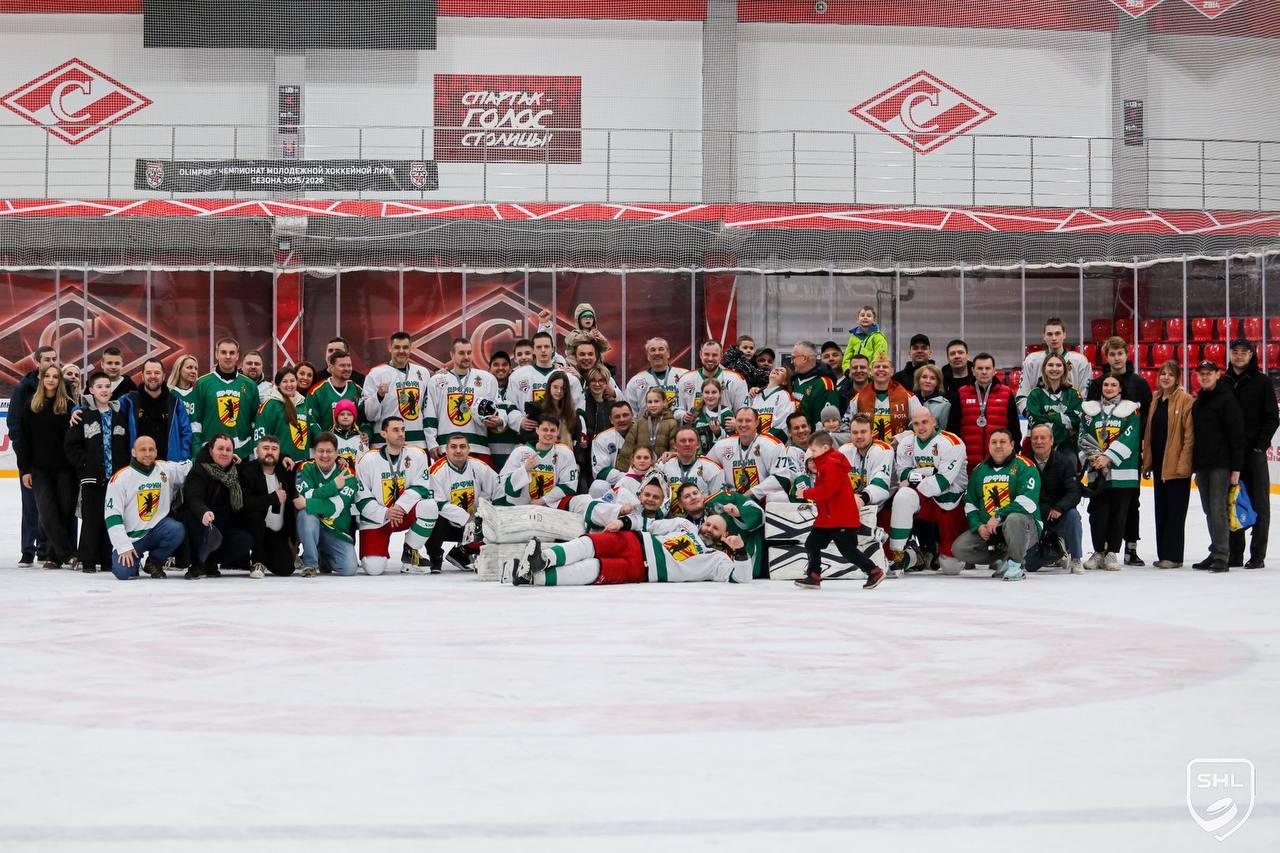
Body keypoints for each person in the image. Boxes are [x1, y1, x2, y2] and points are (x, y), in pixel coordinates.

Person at [508, 514, 753, 586]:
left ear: (724, 536)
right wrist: (623, 522)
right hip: (634, 541)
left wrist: (740, 552)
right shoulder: (685, 525)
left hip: (641, 570)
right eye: (708, 523)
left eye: (716, 528)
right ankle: (545, 559)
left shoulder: (717, 559)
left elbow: (741, 578)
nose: (708, 528)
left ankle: (530, 577)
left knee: (592, 570)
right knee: (587, 544)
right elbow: (650, 524)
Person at [1086, 335, 1152, 566]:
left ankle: (1130, 548)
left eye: (1120, 353)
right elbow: (1090, 418)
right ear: (1107, 356)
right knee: (1102, 502)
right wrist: (1096, 453)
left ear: (1127, 354)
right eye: (1112, 354)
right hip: (1100, 455)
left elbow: (1147, 417)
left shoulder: (1139, 383)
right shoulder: (1098, 384)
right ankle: (1103, 548)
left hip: (1129, 453)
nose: (1116, 358)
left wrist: (1142, 444)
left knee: (1131, 502)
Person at [793, 432, 885, 590]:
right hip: (828, 518)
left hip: (841, 518)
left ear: (825, 448)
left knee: (848, 551)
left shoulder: (832, 464)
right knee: (812, 544)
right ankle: (814, 576)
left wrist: (805, 493)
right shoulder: (825, 463)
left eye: (814, 450)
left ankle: (873, 571)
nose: (812, 454)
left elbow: (827, 490)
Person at [952, 429, 1041, 582]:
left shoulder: (1025, 466)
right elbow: (970, 503)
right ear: (989, 446)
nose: (998, 445)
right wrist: (978, 526)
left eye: (1003, 442)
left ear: (1012, 445)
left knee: (1014, 519)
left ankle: (1016, 565)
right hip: (992, 529)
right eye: (994, 442)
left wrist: (999, 516)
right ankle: (1003, 559)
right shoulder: (980, 470)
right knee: (960, 548)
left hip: (1023, 527)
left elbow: (1028, 502)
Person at [887, 408, 969, 574]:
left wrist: (914, 477)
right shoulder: (906, 443)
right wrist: (931, 471)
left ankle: (940, 550)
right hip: (924, 499)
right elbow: (902, 474)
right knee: (903, 496)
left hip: (950, 502)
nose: (921, 427)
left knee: (951, 568)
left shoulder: (953, 443)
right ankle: (900, 554)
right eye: (916, 423)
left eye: (925, 422)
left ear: (934, 422)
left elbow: (941, 483)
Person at [64, 371, 130, 574]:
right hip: (92, 478)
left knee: (111, 517)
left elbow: (125, 445)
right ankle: (88, 559)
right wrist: (84, 464)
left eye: (107, 386)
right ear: (91, 390)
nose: (104, 390)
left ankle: (107, 559)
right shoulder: (83, 415)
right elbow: (71, 445)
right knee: (91, 519)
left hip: (115, 479)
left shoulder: (119, 416)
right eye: (99, 386)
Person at [353, 416, 435, 574]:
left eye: (403, 429)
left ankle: (410, 552)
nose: (401, 434)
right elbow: (361, 498)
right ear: (384, 434)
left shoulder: (417, 454)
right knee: (374, 568)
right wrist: (386, 512)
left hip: (403, 513)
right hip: (377, 519)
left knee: (429, 506)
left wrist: (400, 507)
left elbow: (422, 487)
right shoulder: (368, 460)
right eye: (395, 430)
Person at [1223, 338, 1278, 569]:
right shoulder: (1223, 382)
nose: (1238, 356)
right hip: (1229, 454)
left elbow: (1272, 418)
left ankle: (1257, 555)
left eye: (1243, 352)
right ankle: (1235, 553)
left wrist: (1259, 446)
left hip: (1253, 454)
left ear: (1251, 355)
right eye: (1235, 351)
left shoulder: (1262, 382)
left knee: (1259, 504)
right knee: (1232, 500)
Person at [16, 363, 76, 569]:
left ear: (60, 381)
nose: (51, 380)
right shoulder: (31, 406)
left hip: (65, 468)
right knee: (46, 512)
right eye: (47, 376)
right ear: (41, 379)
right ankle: (68, 554)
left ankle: (53, 556)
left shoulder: (68, 406)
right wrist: (24, 469)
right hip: (39, 469)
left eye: (55, 377)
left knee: (64, 511)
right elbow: (24, 441)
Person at [104, 435, 189, 580]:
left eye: (151, 450)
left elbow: (190, 467)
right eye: (143, 450)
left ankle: (154, 562)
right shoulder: (120, 478)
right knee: (123, 573)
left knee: (176, 529)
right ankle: (134, 561)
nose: (148, 453)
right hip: (131, 539)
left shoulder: (165, 469)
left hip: (158, 530)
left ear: (156, 452)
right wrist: (123, 547)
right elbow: (112, 517)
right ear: (134, 452)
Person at [1079, 375, 1141, 571]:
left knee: (1119, 513)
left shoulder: (1130, 409)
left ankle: (1112, 552)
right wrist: (1093, 456)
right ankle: (1098, 552)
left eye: (1114, 385)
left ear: (1120, 388)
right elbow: (1082, 434)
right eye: (1106, 384)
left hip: (1123, 472)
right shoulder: (1089, 410)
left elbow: (1131, 436)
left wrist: (1108, 456)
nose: (1109, 387)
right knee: (1097, 513)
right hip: (1097, 470)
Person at [1190, 360, 1244, 573]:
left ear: (1217, 374)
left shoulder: (1227, 400)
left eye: (1209, 373)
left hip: (1221, 465)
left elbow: (1236, 435)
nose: (1205, 377)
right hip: (1203, 465)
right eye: (1201, 373)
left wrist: (1236, 468)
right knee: (1208, 510)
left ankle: (1222, 555)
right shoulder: (1199, 401)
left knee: (1218, 508)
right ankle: (1215, 551)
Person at [1141, 361, 1195, 569]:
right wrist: (1147, 462)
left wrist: (1184, 464)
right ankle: (1163, 554)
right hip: (1159, 464)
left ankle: (1174, 557)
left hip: (1177, 465)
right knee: (1161, 509)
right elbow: (1150, 434)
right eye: (1163, 373)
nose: (1165, 377)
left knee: (1175, 512)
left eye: (1170, 374)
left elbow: (1189, 437)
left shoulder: (1185, 400)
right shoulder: (1156, 399)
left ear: (1177, 378)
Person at [8, 345, 58, 567]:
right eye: (47, 359)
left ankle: (45, 550)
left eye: (54, 359)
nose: (51, 362)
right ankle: (27, 550)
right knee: (31, 506)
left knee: (49, 506)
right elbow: (15, 424)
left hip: (53, 459)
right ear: (37, 362)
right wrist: (23, 459)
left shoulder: (60, 386)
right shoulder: (24, 389)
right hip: (30, 458)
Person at [182, 434, 255, 579]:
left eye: (228, 450)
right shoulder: (199, 469)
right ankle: (198, 562)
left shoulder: (235, 471)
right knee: (196, 521)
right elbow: (193, 498)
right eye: (220, 448)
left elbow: (261, 465)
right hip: (201, 523)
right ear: (211, 450)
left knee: (244, 540)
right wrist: (203, 512)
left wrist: (283, 457)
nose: (224, 453)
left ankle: (212, 561)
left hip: (223, 525)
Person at [428, 434, 500, 573]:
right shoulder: (436, 471)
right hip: (446, 524)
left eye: (462, 446)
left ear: (468, 449)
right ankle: (435, 556)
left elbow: (498, 488)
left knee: (492, 517)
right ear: (446, 450)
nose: (458, 450)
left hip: (472, 522)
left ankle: (462, 552)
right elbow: (438, 504)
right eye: (453, 447)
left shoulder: (479, 466)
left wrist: (485, 513)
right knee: (430, 513)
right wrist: (466, 518)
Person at [424, 337, 503, 462]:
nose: (466, 357)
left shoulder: (487, 379)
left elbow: (499, 408)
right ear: (452, 355)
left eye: (469, 352)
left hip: (478, 446)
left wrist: (500, 420)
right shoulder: (437, 380)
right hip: (447, 447)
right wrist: (431, 442)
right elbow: (430, 413)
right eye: (461, 353)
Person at [294, 433, 360, 577]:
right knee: (306, 514)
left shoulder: (347, 474)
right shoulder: (305, 468)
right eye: (320, 451)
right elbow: (304, 496)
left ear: (336, 453)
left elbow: (336, 507)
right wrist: (333, 486)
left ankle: (323, 557)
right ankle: (310, 564)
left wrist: (309, 502)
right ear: (314, 452)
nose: (324, 455)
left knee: (349, 568)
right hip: (313, 525)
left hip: (336, 531)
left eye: (329, 451)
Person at [1024, 423, 1084, 574]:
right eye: (1035, 438)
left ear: (1051, 440)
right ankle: (1057, 552)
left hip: (1058, 515)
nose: (1038, 441)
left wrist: (1059, 507)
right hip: (1035, 518)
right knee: (1030, 566)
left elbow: (1074, 492)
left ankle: (1076, 558)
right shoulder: (1024, 463)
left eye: (1043, 438)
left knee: (1073, 515)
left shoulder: (1064, 461)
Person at [673, 482, 766, 578]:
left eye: (695, 493)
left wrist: (738, 513)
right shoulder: (682, 527)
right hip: (719, 577)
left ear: (702, 495)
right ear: (680, 504)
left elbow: (759, 515)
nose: (693, 497)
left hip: (755, 565)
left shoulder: (723, 499)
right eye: (687, 496)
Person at [238, 434, 298, 578]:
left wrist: (340, 459)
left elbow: (310, 463)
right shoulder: (247, 471)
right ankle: (257, 560)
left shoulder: (285, 470)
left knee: (286, 569)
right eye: (265, 448)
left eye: (274, 449)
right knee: (255, 514)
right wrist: (272, 498)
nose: (270, 452)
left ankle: (266, 557)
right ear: (257, 452)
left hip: (276, 533)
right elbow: (243, 503)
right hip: (254, 528)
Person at [948, 352, 1020, 472]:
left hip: (999, 462)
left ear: (994, 370)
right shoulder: (962, 393)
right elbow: (953, 428)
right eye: (980, 368)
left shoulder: (1006, 393)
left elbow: (1014, 428)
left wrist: (1014, 452)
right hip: (967, 462)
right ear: (973, 370)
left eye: (987, 368)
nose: (984, 372)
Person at [190, 337, 260, 458]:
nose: (228, 356)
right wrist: (197, 453)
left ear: (237, 356)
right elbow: (195, 422)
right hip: (210, 453)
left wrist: (251, 451)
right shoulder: (201, 383)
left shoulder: (250, 385)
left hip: (242, 454)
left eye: (232, 353)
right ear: (216, 354)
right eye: (223, 352)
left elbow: (256, 423)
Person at [363, 331, 431, 448]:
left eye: (405, 347)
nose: (401, 351)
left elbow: (428, 408)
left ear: (410, 348)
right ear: (390, 348)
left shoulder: (423, 373)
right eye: (397, 347)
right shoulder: (376, 373)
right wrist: (379, 395)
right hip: (384, 442)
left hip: (416, 441)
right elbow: (369, 415)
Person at [509, 331, 585, 434]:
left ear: (553, 349)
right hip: (530, 435)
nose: (543, 350)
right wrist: (519, 421)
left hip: (560, 435)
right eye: (539, 347)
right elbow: (510, 405)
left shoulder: (569, 379)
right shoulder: (517, 376)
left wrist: (578, 432)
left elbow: (579, 408)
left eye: (546, 346)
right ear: (533, 350)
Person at [119, 357, 193, 461]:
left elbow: (186, 433)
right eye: (148, 373)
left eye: (157, 373)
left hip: (168, 465)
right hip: (137, 465)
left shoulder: (175, 403)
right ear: (142, 376)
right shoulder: (128, 401)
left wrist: (182, 459)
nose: (153, 376)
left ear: (163, 376)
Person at [498, 416, 580, 506]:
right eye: (545, 430)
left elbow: (569, 486)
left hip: (550, 507)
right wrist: (524, 470)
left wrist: (543, 500)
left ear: (557, 432)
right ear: (537, 430)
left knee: (582, 501)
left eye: (552, 430)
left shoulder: (565, 453)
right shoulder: (519, 452)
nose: (548, 433)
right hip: (520, 508)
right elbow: (506, 487)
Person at [1016, 318, 1093, 414]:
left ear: (1064, 335)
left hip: (1071, 420)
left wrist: (1072, 418)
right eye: (1049, 334)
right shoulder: (1031, 361)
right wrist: (1034, 416)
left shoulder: (1080, 361)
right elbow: (1022, 396)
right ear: (1044, 336)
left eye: (1057, 333)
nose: (1054, 338)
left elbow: (1085, 397)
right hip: (1040, 420)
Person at [707, 408, 787, 498]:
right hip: (732, 499)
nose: (743, 424)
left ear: (757, 423)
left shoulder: (772, 444)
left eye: (748, 421)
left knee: (779, 497)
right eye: (740, 421)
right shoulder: (723, 445)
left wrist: (752, 493)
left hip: (761, 499)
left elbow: (782, 478)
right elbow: (705, 467)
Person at [251, 367, 312, 467]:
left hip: (302, 465)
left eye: (292, 381)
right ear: (278, 384)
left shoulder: (303, 403)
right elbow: (260, 438)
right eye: (285, 381)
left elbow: (312, 430)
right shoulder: (270, 405)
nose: (289, 384)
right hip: (280, 465)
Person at [656, 427, 725, 516]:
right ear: (675, 445)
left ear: (698, 444)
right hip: (670, 521)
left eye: (691, 440)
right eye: (683, 441)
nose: (687, 444)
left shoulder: (712, 469)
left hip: (702, 521)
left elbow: (717, 502)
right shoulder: (663, 466)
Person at [839, 413, 896, 518]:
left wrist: (862, 499)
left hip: (881, 504)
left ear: (871, 433)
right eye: (855, 432)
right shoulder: (844, 451)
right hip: (852, 502)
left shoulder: (884, 450)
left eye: (863, 432)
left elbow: (881, 484)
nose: (859, 436)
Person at [857, 355, 924, 443]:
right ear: (871, 371)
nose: (881, 369)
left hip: (899, 449)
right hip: (867, 449)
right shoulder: (859, 398)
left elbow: (921, 423)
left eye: (885, 367)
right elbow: (847, 427)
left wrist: (901, 438)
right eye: (877, 367)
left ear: (892, 371)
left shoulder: (909, 397)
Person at [1024, 353, 1083, 454]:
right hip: (1040, 446)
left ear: (1064, 369)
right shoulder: (1035, 394)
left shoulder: (1074, 394)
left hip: (1067, 447)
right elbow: (1036, 423)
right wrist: (1063, 425)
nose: (1054, 369)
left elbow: (1075, 421)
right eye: (1050, 365)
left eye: (1059, 365)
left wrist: (1050, 416)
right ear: (1044, 368)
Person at [676, 340, 748, 420]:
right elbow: (676, 410)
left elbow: (744, 411)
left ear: (721, 356)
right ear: (700, 354)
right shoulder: (685, 379)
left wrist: (736, 423)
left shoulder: (736, 380)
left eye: (714, 355)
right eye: (706, 354)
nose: (710, 358)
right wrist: (684, 416)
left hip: (725, 427)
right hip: (693, 427)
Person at [617, 387, 678, 470]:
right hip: (641, 468)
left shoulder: (672, 423)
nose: (653, 405)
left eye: (656, 401)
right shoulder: (639, 423)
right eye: (650, 402)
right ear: (646, 404)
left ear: (664, 402)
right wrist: (622, 471)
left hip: (663, 469)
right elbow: (627, 449)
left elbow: (674, 449)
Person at [624, 336, 686, 413]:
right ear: (648, 356)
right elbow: (631, 412)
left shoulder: (684, 376)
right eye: (653, 350)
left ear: (668, 353)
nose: (657, 353)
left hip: (677, 421)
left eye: (661, 349)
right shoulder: (636, 381)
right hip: (648, 421)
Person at [308, 348, 362, 433]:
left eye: (349, 365)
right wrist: (322, 438)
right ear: (331, 367)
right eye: (342, 365)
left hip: (353, 440)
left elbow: (366, 419)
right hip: (326, 441)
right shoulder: (316, 392)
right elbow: (311, 422)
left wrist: (366, 433)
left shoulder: (357, 389)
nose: (347, 368)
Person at [789, 340, 840, 431]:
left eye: (793, 358)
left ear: (804, 358)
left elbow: (829, 425)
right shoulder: (794, 380)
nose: (791, 362)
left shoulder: (825, 384)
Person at [535, 371, 587, 453]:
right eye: (555, 387)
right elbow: (529, 435)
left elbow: (577, 438)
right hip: (544, 455)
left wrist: (582, 442)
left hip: (567, 455)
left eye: (563, 388)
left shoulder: (571, 411)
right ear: (549, 387)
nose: (559, 391)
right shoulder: (538, 408)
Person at [487, 350, 520, 471]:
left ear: (510, 369)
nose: (500, 368)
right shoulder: (483, 389)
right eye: (496, 364)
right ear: (489, 369)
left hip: (514, 451)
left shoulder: (517, 389)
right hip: (488, 451)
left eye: (504, 364)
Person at [590, 401, 634, 487]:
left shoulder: (644, 432)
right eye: (617, 417)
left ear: (632, 415)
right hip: (615, 484)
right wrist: (630, 477)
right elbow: (601, 471)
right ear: (611, 419)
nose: (622, 419)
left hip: (643, 481)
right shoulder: (602, 439)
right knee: (597, 486)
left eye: (625, 415)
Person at [749, 365, 796, 441]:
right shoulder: (756, 395)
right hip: (753, 441)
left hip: (772, 443)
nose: (776, 369)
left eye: (781, 371)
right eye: (776, 368)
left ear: (785, 382)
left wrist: (764, 442)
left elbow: (783, 426)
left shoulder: (785, 396)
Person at [841, 304, 889, 373]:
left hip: (870, 376)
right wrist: (847, 370)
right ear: (858, 319)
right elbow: (847, 356)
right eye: (862, 315)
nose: (865, 317)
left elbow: (879, 360)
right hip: (854, 374)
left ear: (874, 320)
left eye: (869, 316)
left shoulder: (879, 338)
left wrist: (869, 374)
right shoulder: (854, 336)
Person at [692, 378, 734, 452]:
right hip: (698, 455)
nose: (710, 396)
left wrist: (718, 432)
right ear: (702, 393)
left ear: (720, 394)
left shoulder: (726, 413)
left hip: (719, 455)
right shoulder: (695, 411)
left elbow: (732, 441)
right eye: (707, 392)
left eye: (714, 392)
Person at [330, 398, 371, 471]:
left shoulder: (362, 438)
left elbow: (367, 463)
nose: (345, 417)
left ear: (354, 418)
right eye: (342, 414)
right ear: (336, 417)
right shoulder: (330, 438)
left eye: (349, 414)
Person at [167, 354, 200, 422]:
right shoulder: (168, 393)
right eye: (189, 367)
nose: (194, 371)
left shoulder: (199, 394)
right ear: (179, 369)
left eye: (196, 369)